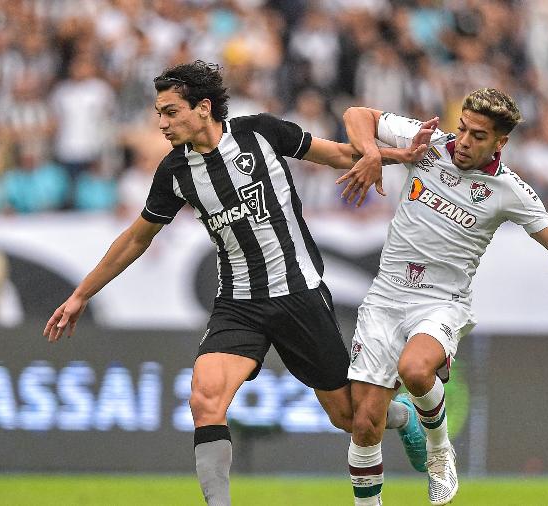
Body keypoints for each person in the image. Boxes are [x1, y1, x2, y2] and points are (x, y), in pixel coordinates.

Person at [43, 61, 429, 506]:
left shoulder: (261, 132)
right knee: (205, 400)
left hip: (298, 292)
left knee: (349, 416)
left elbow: (338, 154)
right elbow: (136, 237)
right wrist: (80, 295)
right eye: (159, 113)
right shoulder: (174, 173)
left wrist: (396, 156)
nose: (162, 124)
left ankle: (402, 417)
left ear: (203, 107)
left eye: (170, 112)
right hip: (238, 303)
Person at [338, 88, 548, 506]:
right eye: (462, 129)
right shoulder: (426, 141)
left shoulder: (509, 189)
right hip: (385, 296)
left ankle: (440, 451)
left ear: (500, 142)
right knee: (364, 424)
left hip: (440, 301)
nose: (463, 141)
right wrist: (372, 152)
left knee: (415, 370)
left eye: (477, 136)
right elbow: (357, 113)